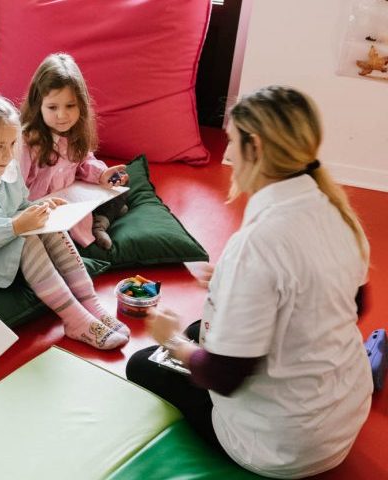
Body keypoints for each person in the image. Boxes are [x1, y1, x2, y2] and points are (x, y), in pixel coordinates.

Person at [126, 86, 372, 478]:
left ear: (254, 146)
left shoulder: (257, 245)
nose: (230, 155)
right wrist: (227, 283)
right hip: (343, 415)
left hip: (283, 447)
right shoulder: (337, 214)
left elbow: (221, 378)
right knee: (198, 330)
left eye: (233, 142)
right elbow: (352, 305)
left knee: (143, 363)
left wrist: (169, 339)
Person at [0, 94, 128, 349]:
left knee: (50, 227)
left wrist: (39, 208)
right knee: (28, 239)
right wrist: (16, 226)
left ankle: (91, 304)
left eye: (12, 145)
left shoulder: (6, 169)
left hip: (2, 234)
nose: (9, 154)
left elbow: (19, 206)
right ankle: (74, 319)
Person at [19, 53, 130, 249]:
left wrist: (102, 175)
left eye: (70, 106)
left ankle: (100, 223)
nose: (62, 115)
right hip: (43, 213)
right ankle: (102, 221)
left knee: (122, 185)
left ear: (81, 105)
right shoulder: (27, 142)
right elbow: (15, 189)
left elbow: (85, 161)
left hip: (74, 205)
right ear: (39, 106)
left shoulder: (74, 135)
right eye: (52, 107)